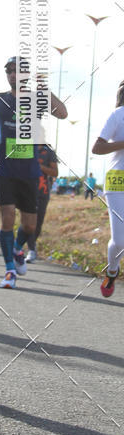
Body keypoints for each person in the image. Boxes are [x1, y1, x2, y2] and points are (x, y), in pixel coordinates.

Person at [0, 58, 67, 289]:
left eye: (17, 71)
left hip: (29, 171)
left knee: (30, 225)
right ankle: (9, 270)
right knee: (7, 216)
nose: (13, 75)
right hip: (4, 168)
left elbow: (62, 112)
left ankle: (18, 249)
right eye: (9, 71)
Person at [91, 80, 124, 298]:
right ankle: (112, 270)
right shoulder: (118, 115)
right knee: (121, 241)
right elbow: (97, 147)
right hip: (117, 181)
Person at [24, 143, 58, 262]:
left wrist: (40, 167)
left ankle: (29, 246)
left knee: (38, 222)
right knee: (28, 221)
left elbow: (55, 172)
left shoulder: (49, 152)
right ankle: (31, 249)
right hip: (27, 190)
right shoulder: (25, 148)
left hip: (43, 192)